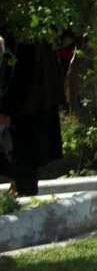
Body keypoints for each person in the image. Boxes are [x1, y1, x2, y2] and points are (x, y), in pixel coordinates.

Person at [0, 33, 65, 197]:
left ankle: (23, 192)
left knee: (22, 162)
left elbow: (16, 76)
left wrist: (5, 107)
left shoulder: (22, 42)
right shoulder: (41, 39)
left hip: (24, 112)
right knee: (26, 164)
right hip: (35, 110)